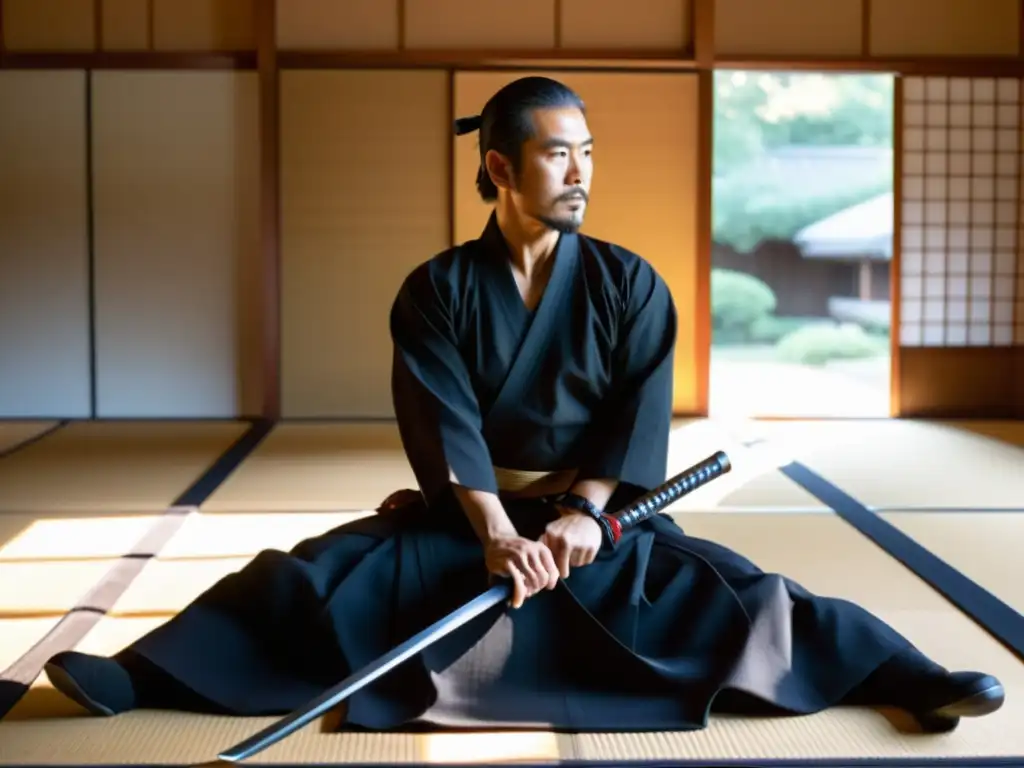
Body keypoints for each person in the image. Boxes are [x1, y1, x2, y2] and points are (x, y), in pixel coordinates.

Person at [44, 76, 1002, 736]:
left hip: (589, 522)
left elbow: (641, 407)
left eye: (589, 153)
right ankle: (142, 674)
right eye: (557, 156)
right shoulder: (437, 289)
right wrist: (497, 530)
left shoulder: (629, 285)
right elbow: (442, 417)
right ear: (501, 169)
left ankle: (906, 676)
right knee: (313, 578)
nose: (581, 172)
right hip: (474, 516)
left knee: (732, 592)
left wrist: (586, 511)